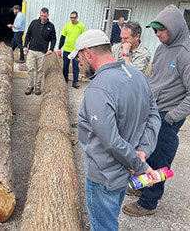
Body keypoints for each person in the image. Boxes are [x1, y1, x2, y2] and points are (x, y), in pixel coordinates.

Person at [70, 29, 160, 231]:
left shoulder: (98, 89)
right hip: (123, 173)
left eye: (79, 57)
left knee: (103, 227)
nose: (79, 63)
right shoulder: (136, 75)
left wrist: (141, 166)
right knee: (110, 221)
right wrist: (142, 152)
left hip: (104, 176)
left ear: (88, 52)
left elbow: (110, 141)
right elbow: (153, 115)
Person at [122, 4, 190, 216]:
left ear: (175, 27)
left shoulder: (186, 54)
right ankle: (143, 184)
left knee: (161, 156)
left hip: (168, 115)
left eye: (161, 30)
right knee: (146, 150)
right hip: (153, 111)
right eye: (154, 30)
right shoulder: (163, 48)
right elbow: (156, 79)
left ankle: (148, 203)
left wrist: (171, 117)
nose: (157, 34)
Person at [23, 7, 56, 95]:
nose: (43, 17)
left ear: (48, 15)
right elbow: (28, 35)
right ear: (40, 15)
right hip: (32, 50)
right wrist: (25, 46)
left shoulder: (51, 26)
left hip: (42, 52)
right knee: (30, 69)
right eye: (41, 15)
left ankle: (37, 87)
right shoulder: (34, 23)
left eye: (45, 16)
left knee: (40, 71)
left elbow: (53, 39)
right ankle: (30, 86)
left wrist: (51, 49)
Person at [58, 11, 86, 88]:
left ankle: (75, 82)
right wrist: (59, 48)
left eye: (74, 18)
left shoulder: (81, 26)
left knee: (75, 67)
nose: (72, 19)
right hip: (67, 49)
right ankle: (65, 80)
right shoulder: (67, 26)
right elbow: (62, 37)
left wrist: (82, 49)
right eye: (71, 18)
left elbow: (83, 38)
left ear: (77, 17)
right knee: (65, 66)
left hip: (76, 50)